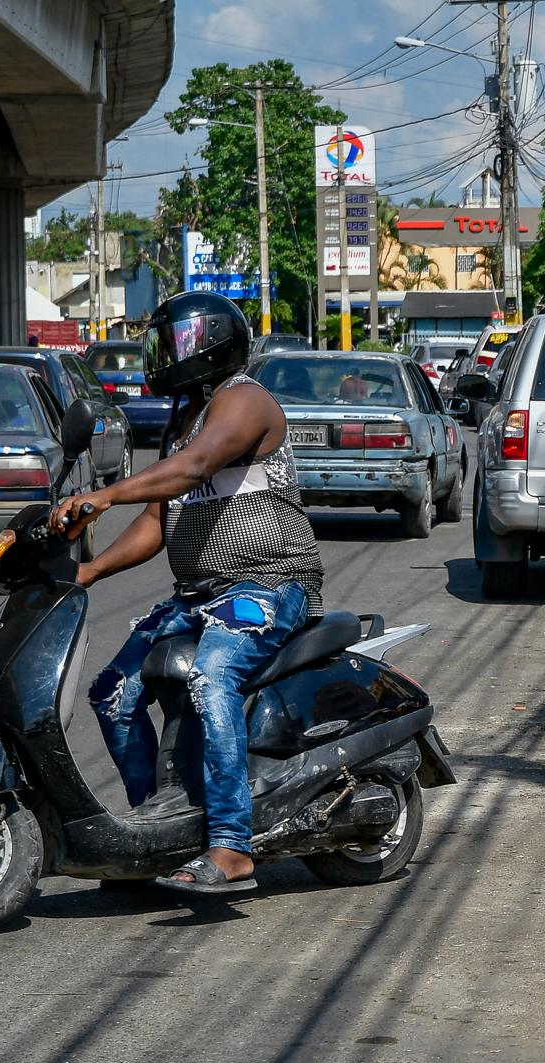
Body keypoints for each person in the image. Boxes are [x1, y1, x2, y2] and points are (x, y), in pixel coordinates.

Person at [49, 291, 324, 894]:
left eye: (172, 343)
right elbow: (156, 522)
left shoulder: (244, 400)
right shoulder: (185, 418)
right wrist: (89, 573)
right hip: (202, 595)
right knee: (113, 692)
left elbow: (196, 468)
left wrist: (103, 496)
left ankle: (231, 845)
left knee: (210, 675)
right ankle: (159, 832)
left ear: (209, 344)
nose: (162, 355)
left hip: (271, 584)